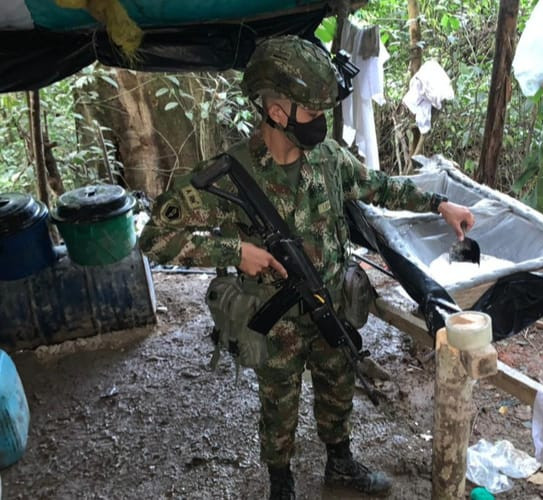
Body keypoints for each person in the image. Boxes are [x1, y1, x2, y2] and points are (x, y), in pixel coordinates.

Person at [139, 35, 474, 499]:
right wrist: (234, 253)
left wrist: (440, 203)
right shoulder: (232, 173)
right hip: (276, 324)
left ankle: (340, 463)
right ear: (278, 112)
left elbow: (379, 187)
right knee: (278, 409)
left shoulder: (329, 158)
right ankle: (281, 483)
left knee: (338, 390)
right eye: (313, 114)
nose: (321, 123)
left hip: (330, 305)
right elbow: (155, 239)